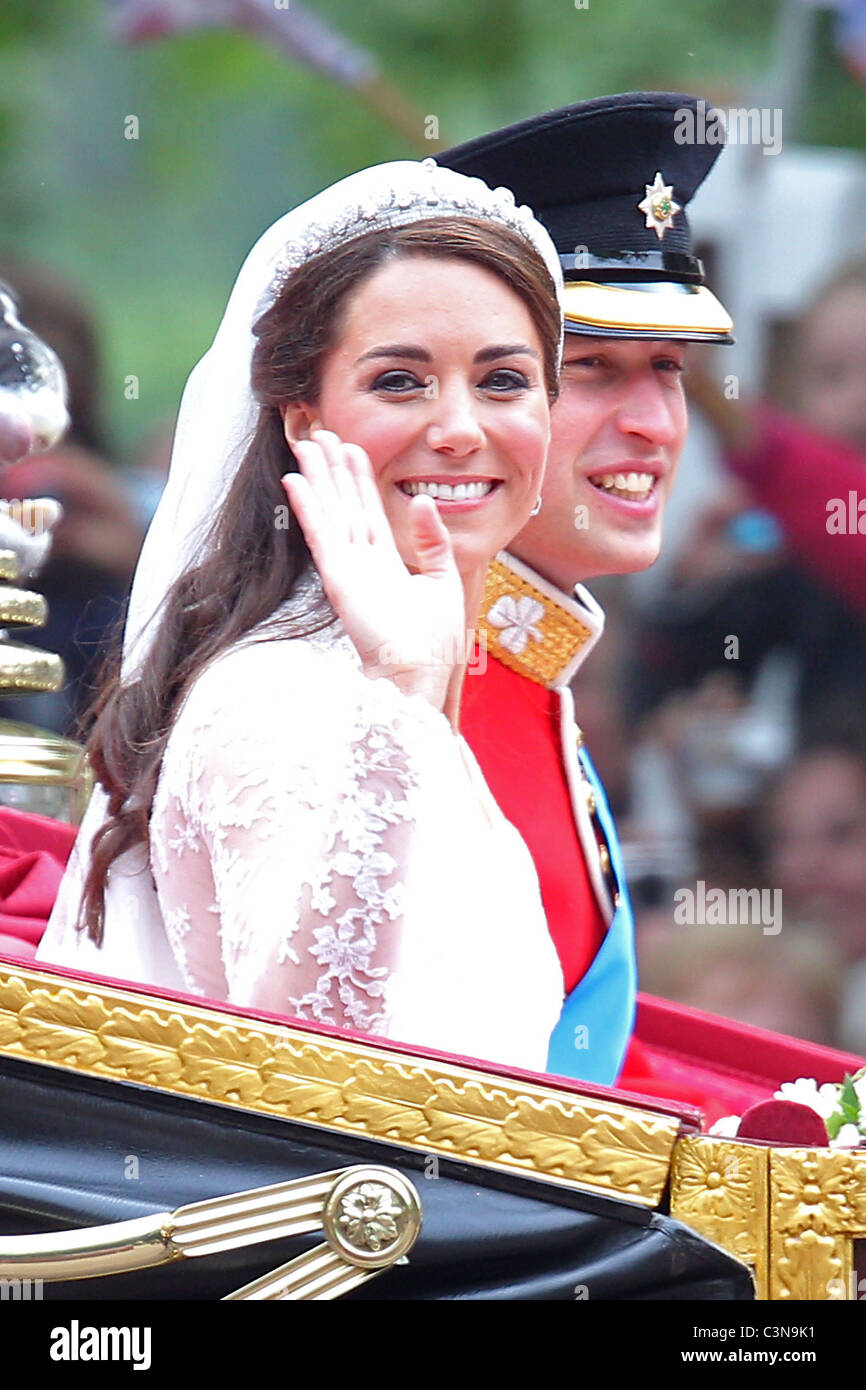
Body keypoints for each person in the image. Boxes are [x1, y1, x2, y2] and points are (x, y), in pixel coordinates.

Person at [37, 157, 571, 1075]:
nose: (458, 427)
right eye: (400, 381)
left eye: (504, 381)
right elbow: (299, 1075)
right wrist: (404, 698)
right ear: (304, 421)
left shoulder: (378, 674)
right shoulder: (276, 697)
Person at [439, 92, 733, 1083]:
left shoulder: (521, 666)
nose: (654, 421)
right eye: (595, 368)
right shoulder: (409, 683)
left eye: (667, 367)